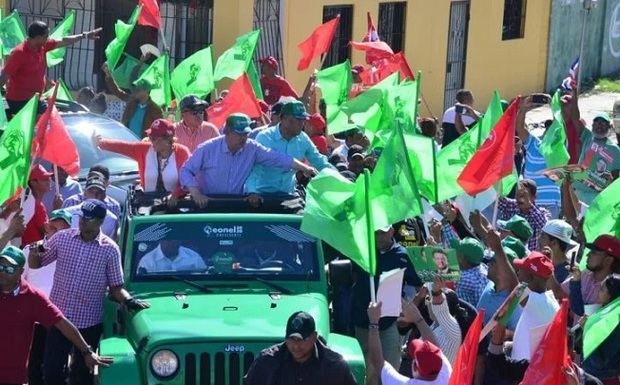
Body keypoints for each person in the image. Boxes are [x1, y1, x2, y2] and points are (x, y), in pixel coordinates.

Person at [27, 199, 150, 385]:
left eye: (90, 219)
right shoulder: (63, 238)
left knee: (82, 376)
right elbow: (36, 264)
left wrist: (128, 301)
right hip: (59, 319)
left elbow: (116, 287)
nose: (83, 221)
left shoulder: (109, 250)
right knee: (51, 373)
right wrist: (34, 253)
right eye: (83, 217)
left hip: (88, 322)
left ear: (101, 221)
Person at [0, 245, 112, 385]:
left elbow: (62, 323)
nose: (2, 273)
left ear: (21, 272)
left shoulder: (32, 297)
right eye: (1, 267)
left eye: (9, 269)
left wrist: (87, 351)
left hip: (11, 374)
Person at [179, 113, 318, 207]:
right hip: (209, 204)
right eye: (239, 134)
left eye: (246, 134)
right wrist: (195, 193)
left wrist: (305, 168)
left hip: (237, 205)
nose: (243, 138)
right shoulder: (207, 148)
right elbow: (186, 170)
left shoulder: (251, 147)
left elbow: (278, 158)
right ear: (226, 132)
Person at [352, 226, 423, 385]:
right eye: (376, 233)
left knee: (391, 369)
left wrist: (411, 312)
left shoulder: (403, 255)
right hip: (364, 323)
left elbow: (419, 285)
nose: (379, 237)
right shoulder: (363, 251)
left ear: (392, 231)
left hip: (389, 323)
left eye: (383, 233)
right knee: (368, 373)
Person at [0, 21, 101, 116]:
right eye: (46, 36)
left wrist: (85, 36)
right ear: (38, 37)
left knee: (52, 120)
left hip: (36, 100)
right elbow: (4, 76)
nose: (48, 38)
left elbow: (63, 41)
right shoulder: (19, 53)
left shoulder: (43, 46)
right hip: (18, 103)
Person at [21, 209, 72, 385]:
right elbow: (21, 280)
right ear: (46, 227)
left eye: (62, 230)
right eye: (53, 228)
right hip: (33, 318)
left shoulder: (72, 253)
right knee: (33, 362)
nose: (56, 233)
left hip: (58, 317)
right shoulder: (30, 250)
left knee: (57, 364)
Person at [244, 101, 331, 198]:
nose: (301, 124)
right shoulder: (265, 138)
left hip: (289, 196)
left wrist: (341, 179)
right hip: (263, 195)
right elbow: (254, 170)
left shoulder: (303, 139)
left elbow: (320, 162)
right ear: (283, 119)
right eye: (297, 120)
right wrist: (252, 192)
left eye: (303, 120)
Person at [244, 311, 357, 385]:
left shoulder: (334, 366)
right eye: (292, 339)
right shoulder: (266, 362)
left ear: (314, 337)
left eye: (302, 340)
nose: (296, 345)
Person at [95, 119, 190, 197]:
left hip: (176, 205)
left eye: (154, 138)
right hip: (148, 204)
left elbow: (190, 179)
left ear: (168, 139)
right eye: (150, 137)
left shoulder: (182, 152)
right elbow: (123, 146)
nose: (151, 141)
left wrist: (175, 195)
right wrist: (100, 142)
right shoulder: (144, 149)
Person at [367, 302, 453, 385]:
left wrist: (373, 322)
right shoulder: (446, 374)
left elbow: (377, 361)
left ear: (415, 367)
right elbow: (434, 348)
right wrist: (418, 319)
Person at [566, 90, 620, 205]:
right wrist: (574, 98)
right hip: (578, 193)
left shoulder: (614, 150)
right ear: (592, 125)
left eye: (603, 123)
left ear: (609, 127)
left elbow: (616, 178)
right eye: (597, 122)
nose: (599, 125)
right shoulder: (587, 137)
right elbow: (576, 118)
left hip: (597, 198)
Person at [516, 96, 562, 219]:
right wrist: (523, 110)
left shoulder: (560, 148)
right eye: (548, 128)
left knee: (548, 237)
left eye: (553, 129)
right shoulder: (533, 143)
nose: (550, 131)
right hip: (531, 202)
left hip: (552, 203)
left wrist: (554, 107)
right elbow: (519, 128)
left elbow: (563, 124)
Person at [510, 251, 559, 361]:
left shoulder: (540, 303)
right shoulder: (543, 299)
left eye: (521, 270)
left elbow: (511, 283)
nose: (517, 273)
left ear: (531, 277)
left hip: (526, 373)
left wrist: (498, 249)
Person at [559, 235, 620, 310]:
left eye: (594, 253)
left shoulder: (613, 288)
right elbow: (560, 293)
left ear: (608, 260)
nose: (588, 255)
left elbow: (582, 313)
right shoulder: (586, 273)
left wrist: (576, 283)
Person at [102, 62, 163, 138]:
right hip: (127, 142)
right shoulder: (132, 101)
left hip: (143, 146)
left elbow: (159, 132)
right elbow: (116, 91)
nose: (135, 90)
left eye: (139, 89)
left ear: (146, 91)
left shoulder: (155, 110)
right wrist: (108, 74)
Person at [580, 274, 620, 384]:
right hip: (591, 376)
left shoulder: (615, 324)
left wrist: (587, 330)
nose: (598, 291)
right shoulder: (602, 313)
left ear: (612, 295)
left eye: (602, 289)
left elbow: (599, 362)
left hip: (603, 380)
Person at [497, 179, 549, 251]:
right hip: (507, 251)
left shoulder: (542, 212)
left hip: (527, 256)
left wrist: (529, 206)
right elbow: (495, 197)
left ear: (534, 197)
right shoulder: (510, 204)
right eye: (518, 194)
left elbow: (544, 226)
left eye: (524, 195)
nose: (520, 198)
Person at [22, 165, 53, 247]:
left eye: (48, 178)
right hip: (35, 251)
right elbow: (48, 234)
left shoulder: (30, 202)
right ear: (33, 183)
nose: (49, 181)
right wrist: (57, 208)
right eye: (44, 179)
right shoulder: (37, 205)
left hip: (30, 249)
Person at [452, 237, 489, 306]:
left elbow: (431, 275)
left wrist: (432, 247)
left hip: (471, 316)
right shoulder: (483, 267)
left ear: (462, 258)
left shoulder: (463, 279)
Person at [137, 240, 207, 273]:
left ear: (180, 241)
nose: (171, 243)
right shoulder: (147, 261)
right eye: (168, 240)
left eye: (174, 240)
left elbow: (204, 278)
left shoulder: (193, 256)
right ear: (160, 240)